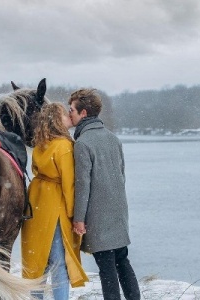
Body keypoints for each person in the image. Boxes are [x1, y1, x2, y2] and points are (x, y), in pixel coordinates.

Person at [68, 89, 141, 300]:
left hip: (98, 215)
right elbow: (121, 176)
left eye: (72, 109)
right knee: (122, 262)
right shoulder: (113, 138)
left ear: (83, 113)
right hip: (118, 212)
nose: (69, 113)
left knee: (107, 268)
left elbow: (83, 185)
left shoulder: (82, 144)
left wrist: (79, 219)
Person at [21, 102, 88, 300]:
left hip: (36, 201)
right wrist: (75, 216)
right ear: (57, 120)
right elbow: (69, 185)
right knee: (60, 262)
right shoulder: (65, 146)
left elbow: (35, 171)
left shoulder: (41, 144)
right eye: (65, 115)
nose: (69, 116)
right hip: (54, 206)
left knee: (37, 261)